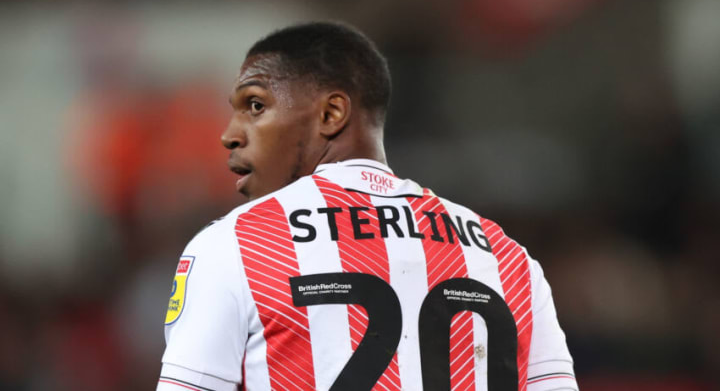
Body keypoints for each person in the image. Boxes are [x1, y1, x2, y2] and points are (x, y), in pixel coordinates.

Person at [157, 22, 578, 391]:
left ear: (332, 114)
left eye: (255, 106)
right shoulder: (508, 258)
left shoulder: (237, 247)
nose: (229, 135)